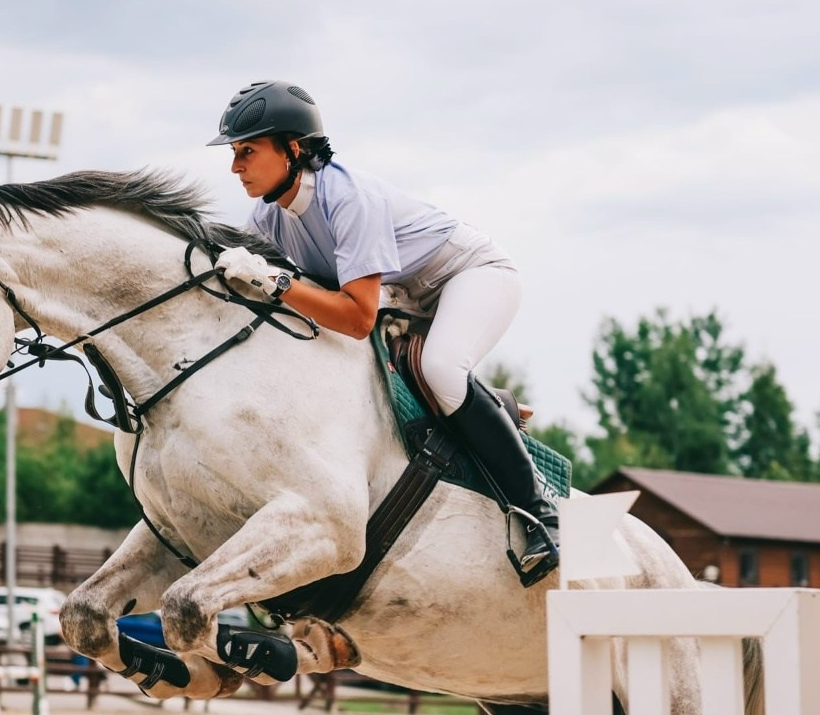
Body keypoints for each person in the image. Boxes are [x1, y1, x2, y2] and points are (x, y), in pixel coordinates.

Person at [208, 80, 560, 586]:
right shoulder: (267, 216)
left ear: (292, 148)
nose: (235, 166)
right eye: (235, 153)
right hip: (403, 298)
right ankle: (487, 404)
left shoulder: (347, 197)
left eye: (247, 151)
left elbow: (354, 319)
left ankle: (538, 515)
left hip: (469, 276)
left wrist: (273, 280)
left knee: (440, 367)